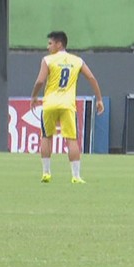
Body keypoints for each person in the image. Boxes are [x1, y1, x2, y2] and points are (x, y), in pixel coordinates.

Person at [30, 31, 104, 184]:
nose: (48, 47)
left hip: (50, 104)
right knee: (71, 139)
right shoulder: (77, 61)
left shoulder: (48, 60)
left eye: (50, 43)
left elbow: (39, 81)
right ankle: (76, 176)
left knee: (46, 136)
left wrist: (34, 96)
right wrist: (99, 99)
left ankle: (46, 173)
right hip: (68, 105)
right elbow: (91, 78)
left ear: (59, 44)